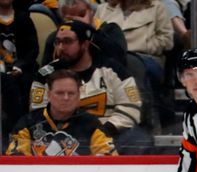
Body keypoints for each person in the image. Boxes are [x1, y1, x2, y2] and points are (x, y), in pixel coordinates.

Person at [29, 19, 152, 154]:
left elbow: (131, 106)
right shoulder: (44, 75)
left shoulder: (115, 70)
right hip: (62, 136)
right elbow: (38, 112)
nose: (60, 48)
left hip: (111, 132)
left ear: (85, 44)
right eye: (57, 42)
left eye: (67, 42)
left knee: (138, 139)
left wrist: (102, 131)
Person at [6, 69, 117, 155]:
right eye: (59, 93)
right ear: (49, 95)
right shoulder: (27, 123)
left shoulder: (92, 125)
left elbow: (108, 160)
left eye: (71, 93)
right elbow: (16, 162)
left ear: (78, 96)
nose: (65, 98)